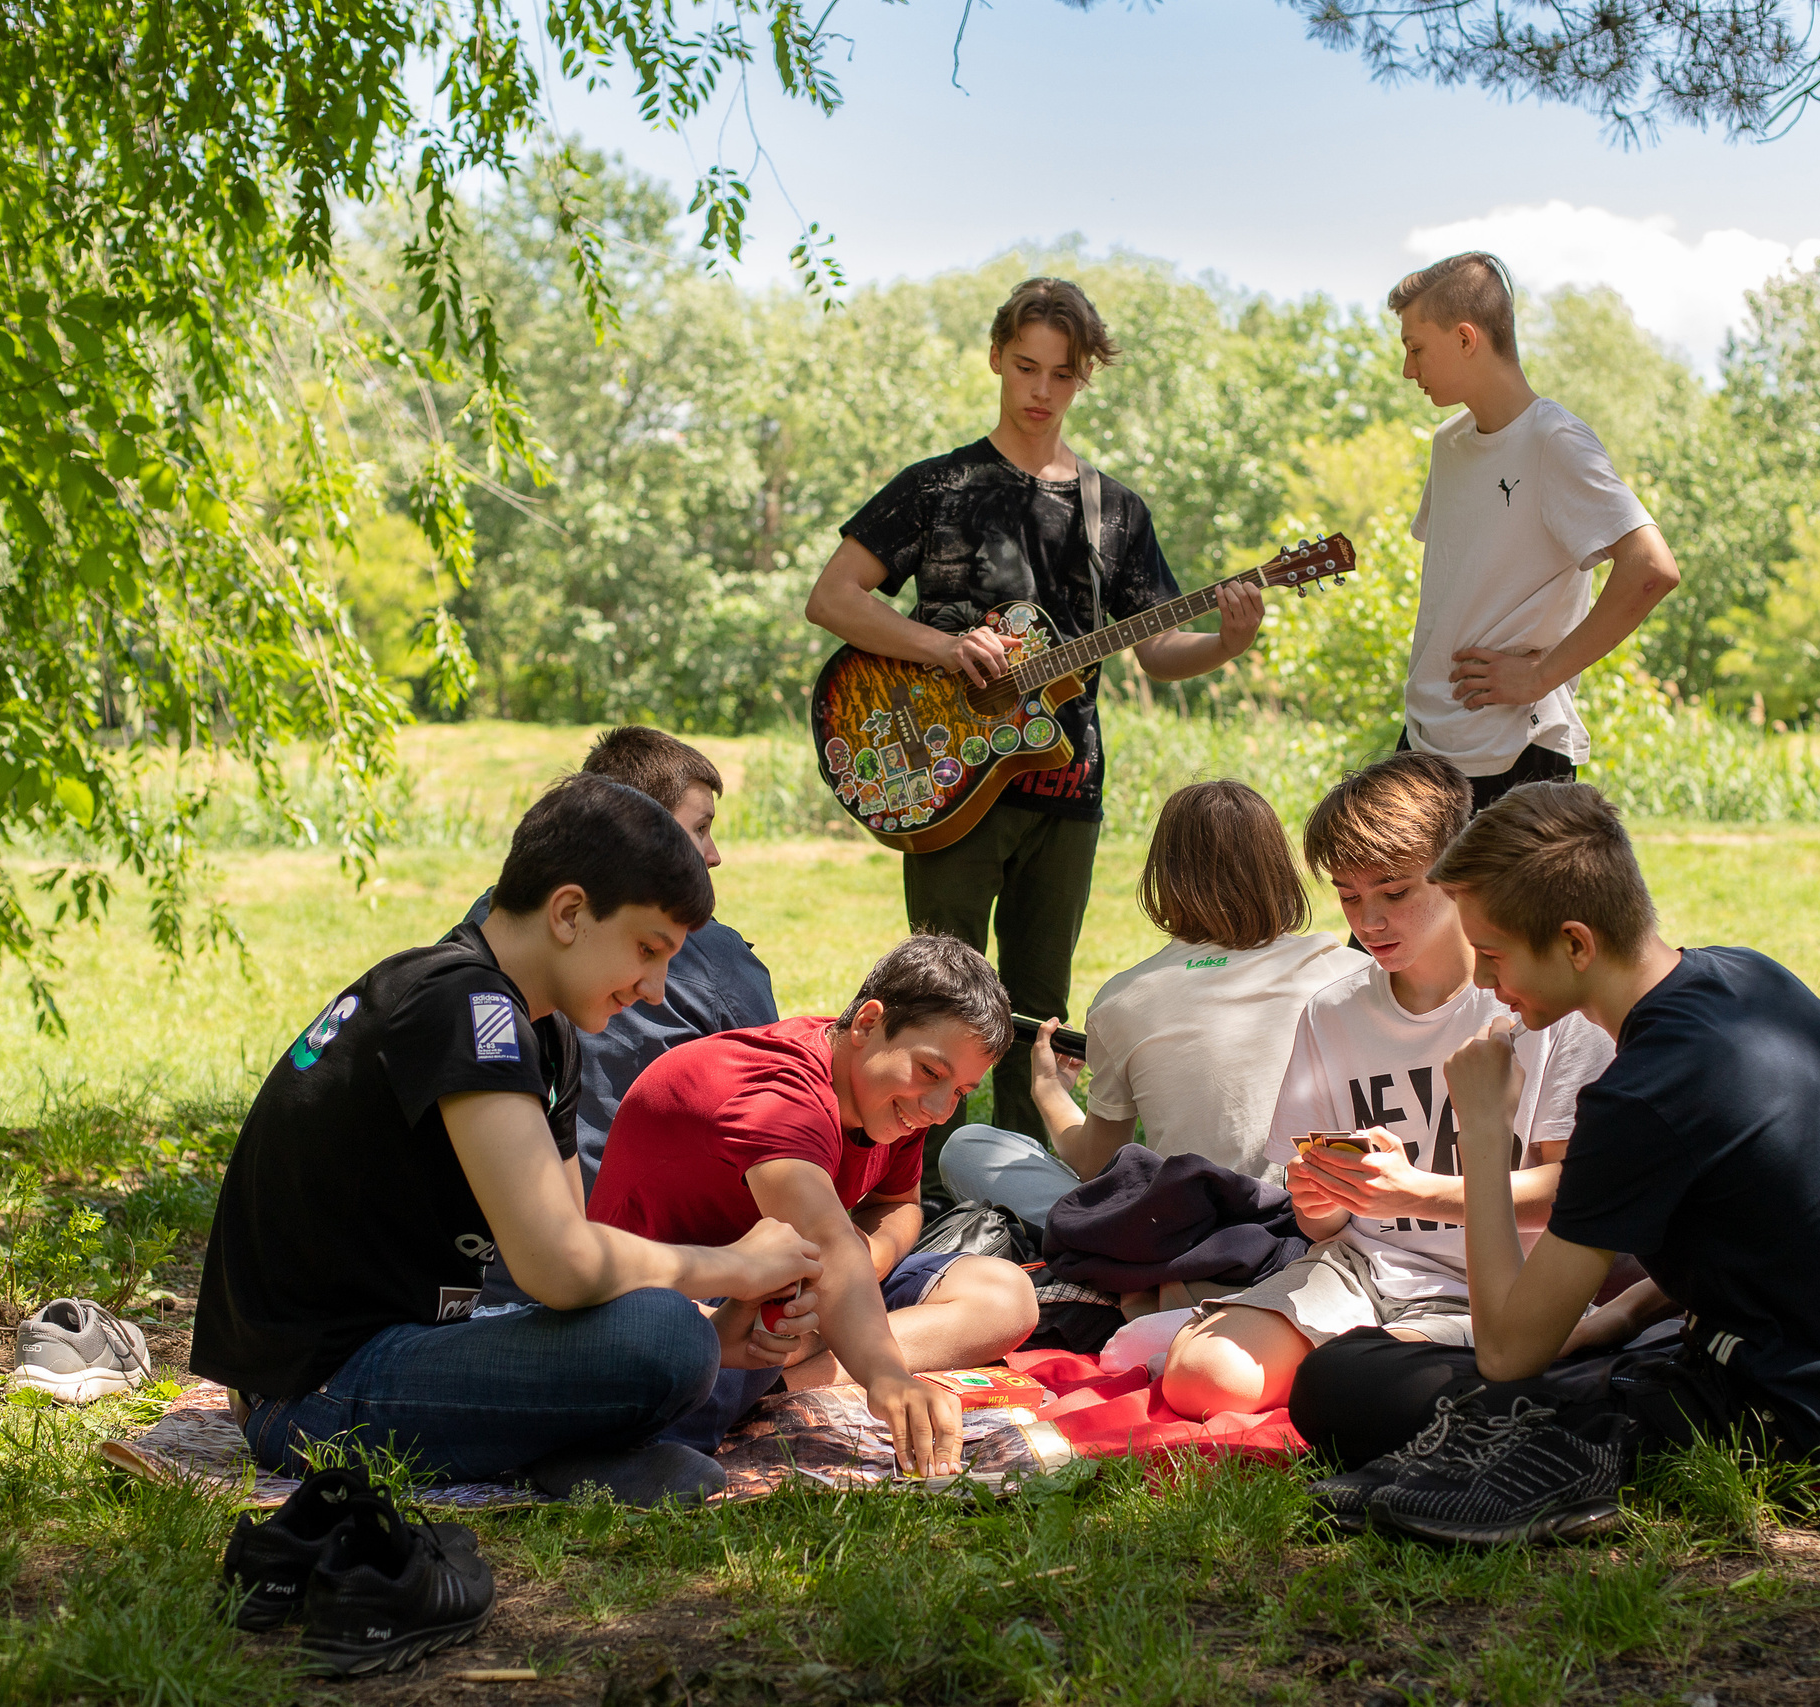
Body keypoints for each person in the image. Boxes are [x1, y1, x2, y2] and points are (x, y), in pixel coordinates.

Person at [1292, 782, 1820, 1546]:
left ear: (1575, 943)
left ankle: (1558, 1466)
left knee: (1338, 1381)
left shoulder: (1644, 1092)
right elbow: (1756, 1225)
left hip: (1785, 1423)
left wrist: (1484, 1130)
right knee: (1443, 1359)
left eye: (1492, 955)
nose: (1486, 983)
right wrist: (1617, 1317)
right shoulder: (1745, 977)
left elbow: (1507, 1353)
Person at [191, 775, 824, 1506]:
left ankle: (550, 1449)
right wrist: (735, 1267)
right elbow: (561, 1266)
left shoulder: (545, 1031)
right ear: (569, 912)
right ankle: (555, 1452)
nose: (655, 988)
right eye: (648, 949)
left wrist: (719, 1325)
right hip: (309, 1392)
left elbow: (569, 1255)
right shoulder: (464, 1006)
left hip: (409, 1341)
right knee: (668, 1339)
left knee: (686, 1333)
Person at [806, 277, 1266, 1173]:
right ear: (995, 357)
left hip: (1065, 784)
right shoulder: (936, 487)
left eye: (1062, 374)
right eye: (1025, 367)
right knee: (932, 995)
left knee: (1037, 1010)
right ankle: (908, 1183)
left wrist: (1226, 642)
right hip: (944, 775)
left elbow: (1157, 647)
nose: (1041, 390)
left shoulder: (1114, 510)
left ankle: (1017, 1191)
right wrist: (944, 648)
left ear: (1085, 377)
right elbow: (834, 597)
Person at [1160, 754, 1614, 1423]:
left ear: (1458, 874)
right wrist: (1319, 1196)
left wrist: (1416, 1193)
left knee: (1363, 1383)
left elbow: (1573, 1195)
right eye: (1348, 896)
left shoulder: (1543, 1007)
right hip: (1362, 1271)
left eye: (1395, 892)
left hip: (1496, 1288)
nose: (1368, 920)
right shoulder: (1333, 1012)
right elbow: (1320, 1222)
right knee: (1204, 1378)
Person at [573, 933, 1043, 1478]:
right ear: (868, 1023)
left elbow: (898, 1204)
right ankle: (802, 1365)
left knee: (1006, 1295)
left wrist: (868, 1260)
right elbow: (826, 1239)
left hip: (789, 1295)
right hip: (677, 1309)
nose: (940, 1110)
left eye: (961, 1091)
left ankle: (788, 1377)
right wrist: (886, 1374)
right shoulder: (782, 1095)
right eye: (932, 1073)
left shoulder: (888, 1094)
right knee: (678, 1387)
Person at [940, 779, 1368, 1228]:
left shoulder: (1123, 1000)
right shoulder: (1349, 970)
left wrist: (1049, 1089)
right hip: (1326, 1223)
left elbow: (1096, 1165)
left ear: (1165, 876)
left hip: (1188, 1235)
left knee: (969, 1148)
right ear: (1278, 869)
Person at [1391, 252, 1681, 811]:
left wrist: (1540, 676)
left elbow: (1652, 569)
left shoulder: (1556, 441)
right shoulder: (1448, 444)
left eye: (1415, 348)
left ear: (1466, 338)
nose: (1408, 369)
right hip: (1424, 747)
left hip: (1516, 754)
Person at [457, 726, 777, 1192]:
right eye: (699, 829)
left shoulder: (501, 939)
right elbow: (777, 1109)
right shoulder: (469, 1012)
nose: (713, 856)